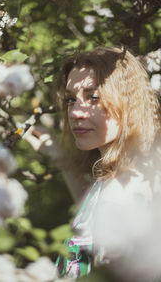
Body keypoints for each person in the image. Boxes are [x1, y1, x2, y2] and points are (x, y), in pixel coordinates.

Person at [54, 46, 161, 280]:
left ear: (128, 101)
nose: (75, 113)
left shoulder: (127, 190)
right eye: (72, 99)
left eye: (93, 97)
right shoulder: (119, 175)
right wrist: (58, 156)